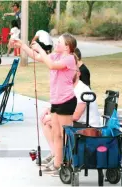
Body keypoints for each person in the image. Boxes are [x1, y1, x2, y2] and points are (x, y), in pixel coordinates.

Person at [12, 33, 78, 176]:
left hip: (66, 100)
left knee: (65, 134)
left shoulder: (70, 59)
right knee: (56, 134)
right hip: (56, 100)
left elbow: (52, 65)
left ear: (67, 46)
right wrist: (23, 45)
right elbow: (36, 57)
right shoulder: (56, 56)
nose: (56, 44)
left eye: (59, 42)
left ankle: (69, 163)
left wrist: (41, 49)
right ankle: (57, 164)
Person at [39, 70, 101, 170]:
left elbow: (76, 116)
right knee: (45, 120)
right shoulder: (69, 88)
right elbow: (63, 107)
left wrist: (53, 117)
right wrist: (50, 110)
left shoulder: (82, 90)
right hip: (77, 122)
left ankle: (61, 160)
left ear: (78, 73)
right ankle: (55, 153)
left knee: (53, 122)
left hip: (87, 126)